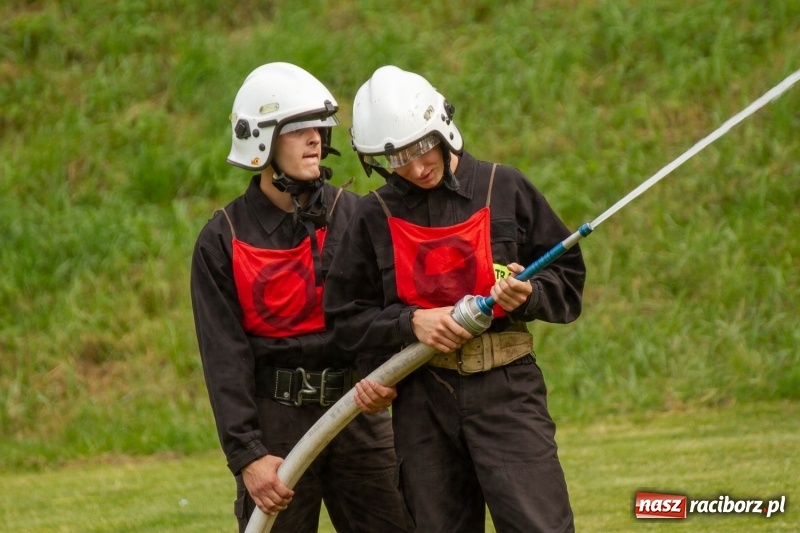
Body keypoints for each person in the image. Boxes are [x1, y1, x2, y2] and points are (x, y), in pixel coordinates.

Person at [323, 65, 586, 532]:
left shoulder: (505, 187)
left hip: (508, 393)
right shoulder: (372, 216)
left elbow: (567, 281)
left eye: (420, 149)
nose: (415, 168)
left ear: (441, 128)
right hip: (423, 403)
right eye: (396, 159)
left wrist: (529, 295)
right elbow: (345, 320)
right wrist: (410, 323)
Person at [190, 62, 408, 533]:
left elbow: (389, 311)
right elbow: (224, 357)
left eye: (319, 127)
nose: (315, 139)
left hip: (359, 412)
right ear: (261, 142)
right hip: (276, 428)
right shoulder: (223, 239)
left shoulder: (358, 216)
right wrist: (249, 456)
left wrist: (380, 374)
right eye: (297, 129)